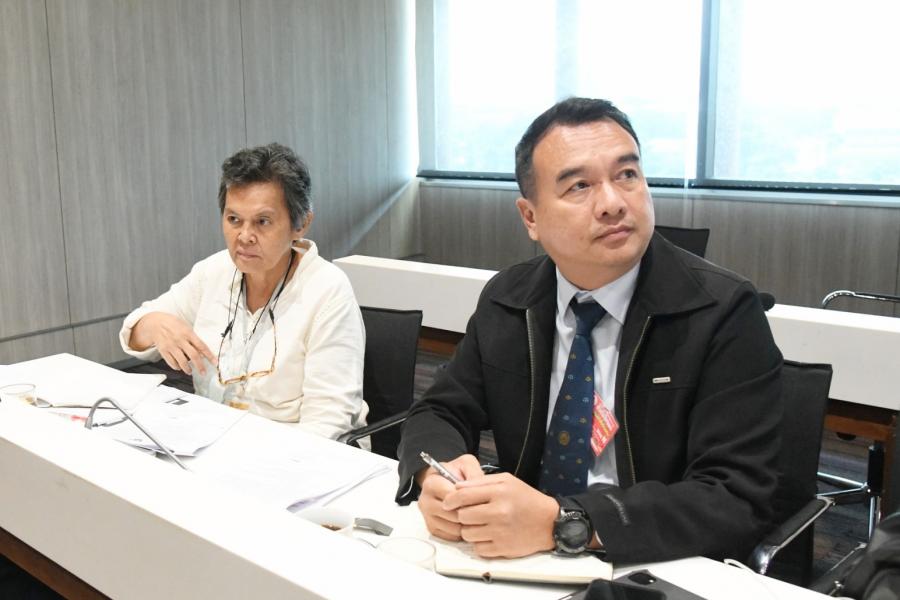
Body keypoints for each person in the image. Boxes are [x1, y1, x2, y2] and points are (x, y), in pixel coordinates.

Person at [396, 98, 782, 564]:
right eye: (580, 185)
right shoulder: (509, 299)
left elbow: (734, 497)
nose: (614, 203)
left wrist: (568, 522)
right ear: (531, 217)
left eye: (627, 175)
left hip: (651, 560)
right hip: (523, 554)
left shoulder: (722, 311)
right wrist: (435, 474)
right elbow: (440, 409)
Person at [120, 143, 368, 440]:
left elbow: (329, 423)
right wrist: (154, 324)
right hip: (213, 436)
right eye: (234, 220)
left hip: (296, 450)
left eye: (262, 222)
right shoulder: (214, 271)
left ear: (301, 224)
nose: (245, 236)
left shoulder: (327, 290)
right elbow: (132, 335)